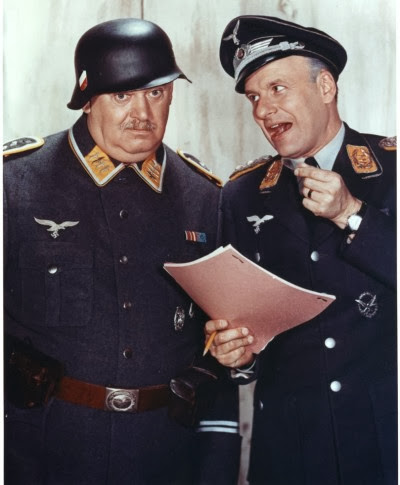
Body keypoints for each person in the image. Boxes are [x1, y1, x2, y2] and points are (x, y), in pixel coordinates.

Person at [3, 18, 241, 485]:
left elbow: (219, 353)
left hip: (165, 454)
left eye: (156, 93)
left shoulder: (205, 197)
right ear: (88, 98)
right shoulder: (15, 184)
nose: (142, 113)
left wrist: (216, 465)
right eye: (121, 96)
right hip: (42, 451)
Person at [205, 15, 397, 485]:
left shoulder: (392, 169)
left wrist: (352, 213)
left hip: (385, 443)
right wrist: (239, 356)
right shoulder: (241, 195)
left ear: (325, 87)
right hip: (289, 451)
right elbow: (245, 330)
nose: (264, 111)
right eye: (254, 97)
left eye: (277, 88)